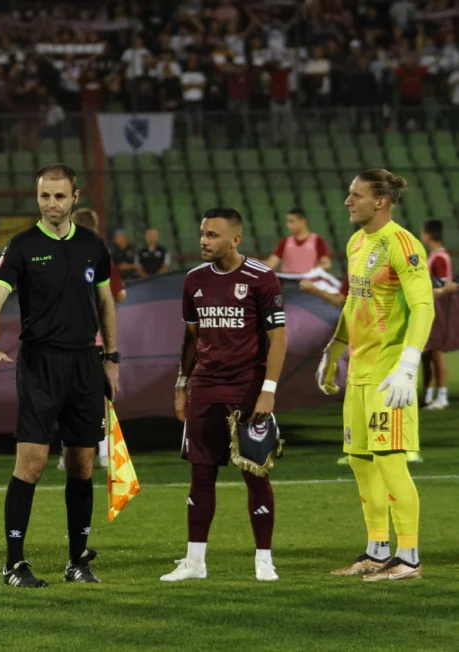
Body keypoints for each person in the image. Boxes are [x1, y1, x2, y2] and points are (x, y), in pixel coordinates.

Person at [0, 164, 120, 587]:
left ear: (75, 197)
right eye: (44, 196)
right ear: (37, 197)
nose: (52, 204)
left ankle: (78, 560)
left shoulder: (93, 246)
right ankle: (14, 563)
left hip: (84, 365)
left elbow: (106, 304)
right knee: (33, 463)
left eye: (59, 196)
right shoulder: (21, 246)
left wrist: (111, 357)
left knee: (82, 463)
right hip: (40, 364)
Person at [318, 169, 433, 582]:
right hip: (360, 372)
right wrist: (334, 350)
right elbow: (353, 299)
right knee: (361, 461)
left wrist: (408, 364)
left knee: (390, 463)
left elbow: (423, 307)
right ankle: (377, 549)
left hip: (389, 375)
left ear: (380, 201)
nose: (348, 201)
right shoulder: (357, 241)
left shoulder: (403, 245)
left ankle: (409, 558)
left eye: (356, 195)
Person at [161, 208, 287, 583]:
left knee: (255, 475)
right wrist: (182, 383)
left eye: (213, 235)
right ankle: (194, 562)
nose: (203, 240)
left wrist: (268, 391)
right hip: (205, 389)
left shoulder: (262, 278)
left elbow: (277, 338)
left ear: (235, 239)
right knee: (201, 474)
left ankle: (264, 560)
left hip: (247, 390)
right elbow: (191, 338)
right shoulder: (194, 280)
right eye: (202, 233)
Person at [67, 208, 124, 470]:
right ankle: (103, 451)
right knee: (97, 396)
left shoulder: (60, 252)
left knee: (64, 395)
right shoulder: (99, 253)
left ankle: (64, 453)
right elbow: (119, 294)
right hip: (95, 338)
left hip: (62, 338)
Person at [421, 220, 455, 410]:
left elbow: (443, 287)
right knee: (427, 353)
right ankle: (428, 395)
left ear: (427, 235)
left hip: (439, 309)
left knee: (437, 352)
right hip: (431, 307)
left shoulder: (439, 258)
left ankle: (441, 396)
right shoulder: (435, 256)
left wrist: (424, 292)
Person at [263, 208, 332, 273]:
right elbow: (271, 264)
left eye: (291, 221)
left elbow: (326, 264)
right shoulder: (285, 242)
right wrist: (254, 262)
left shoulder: (318, 240)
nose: (288, 225)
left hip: (309, 282)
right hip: (289, 283)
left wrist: (315, 271)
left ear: (303, 222)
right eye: (288, 221)